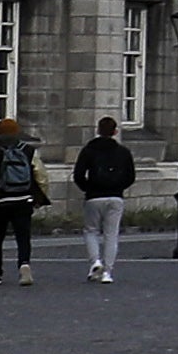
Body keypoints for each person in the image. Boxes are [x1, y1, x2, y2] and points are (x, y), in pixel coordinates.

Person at [72, 115, 138, 284]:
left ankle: (95, 262)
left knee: (91, 230)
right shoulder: (123, 152)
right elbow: (130, 176)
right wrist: (118, 187)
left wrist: (88, 188)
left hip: (94, 196)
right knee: (111, 235)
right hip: (115, 196)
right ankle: (108, 271)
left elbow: (78, 175)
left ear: (98, 130)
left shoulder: (89, 150)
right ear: (115, 131)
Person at [0, 117, 44, 287]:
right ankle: (24, 264)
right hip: (22, 198)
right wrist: (40, 197)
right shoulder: (29, 150)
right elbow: (41, 176)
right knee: (23, 236)